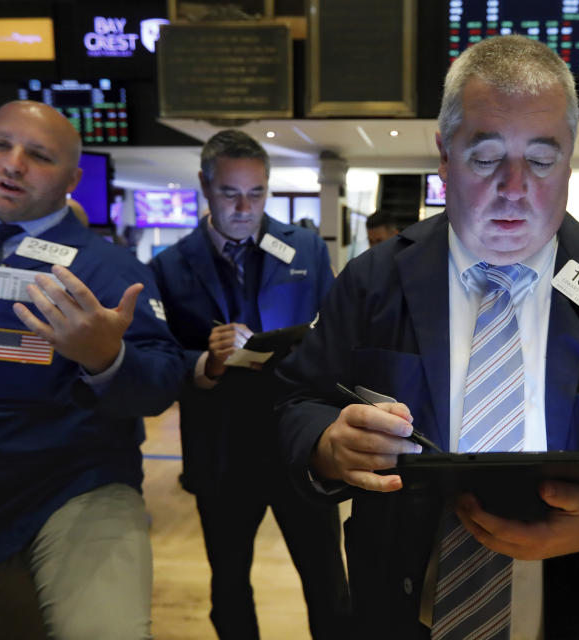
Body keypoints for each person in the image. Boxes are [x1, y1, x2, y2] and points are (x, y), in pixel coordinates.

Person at [275, 35, 579, 640]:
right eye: (486, 156)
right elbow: (298, 398)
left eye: (543, 160)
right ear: (445, 154)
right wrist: (326, 443)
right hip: (400, 614)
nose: (515, 187)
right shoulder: (375, 280)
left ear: (571, 158)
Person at [0, 100, 186, 640]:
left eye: (39, 155)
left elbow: (162, 380)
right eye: (0, 145)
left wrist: (107, 357)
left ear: (74, 178)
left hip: (68, 487)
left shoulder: (109, 268)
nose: (13, 164)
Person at [149, 129, 350, 639]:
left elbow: (336, 332)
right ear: (204, 185)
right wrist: (208, 363)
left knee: (327, 582)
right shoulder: (168, 266)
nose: (245, 207)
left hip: (299, 443)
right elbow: (160, 358)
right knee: (230, 583)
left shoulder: (303, 245)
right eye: (230, 193)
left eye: (256, 193)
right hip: (221, 451)